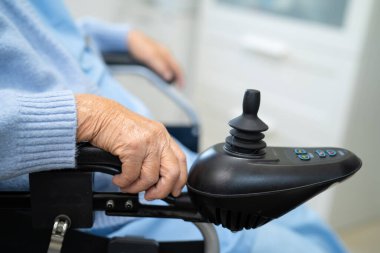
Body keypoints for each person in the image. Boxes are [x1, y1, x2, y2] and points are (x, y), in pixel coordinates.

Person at [0, 0, 347, 252]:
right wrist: (89, 117)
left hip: (163, 163)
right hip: (109, 204)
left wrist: (119, 36)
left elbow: (46, 32)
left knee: (305, 220)